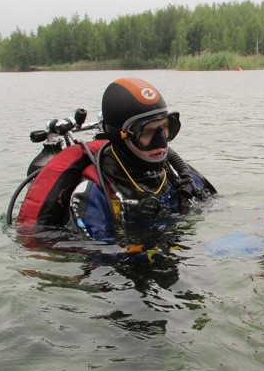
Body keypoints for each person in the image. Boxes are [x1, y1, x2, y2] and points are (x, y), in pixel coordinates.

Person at [17, 77, 215, 245]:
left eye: (164, 127)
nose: (161, 142)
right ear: (120, 135)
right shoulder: (94, 193)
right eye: (146, 132)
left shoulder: (175, 173)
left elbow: (219, 208)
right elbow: (100, 258)